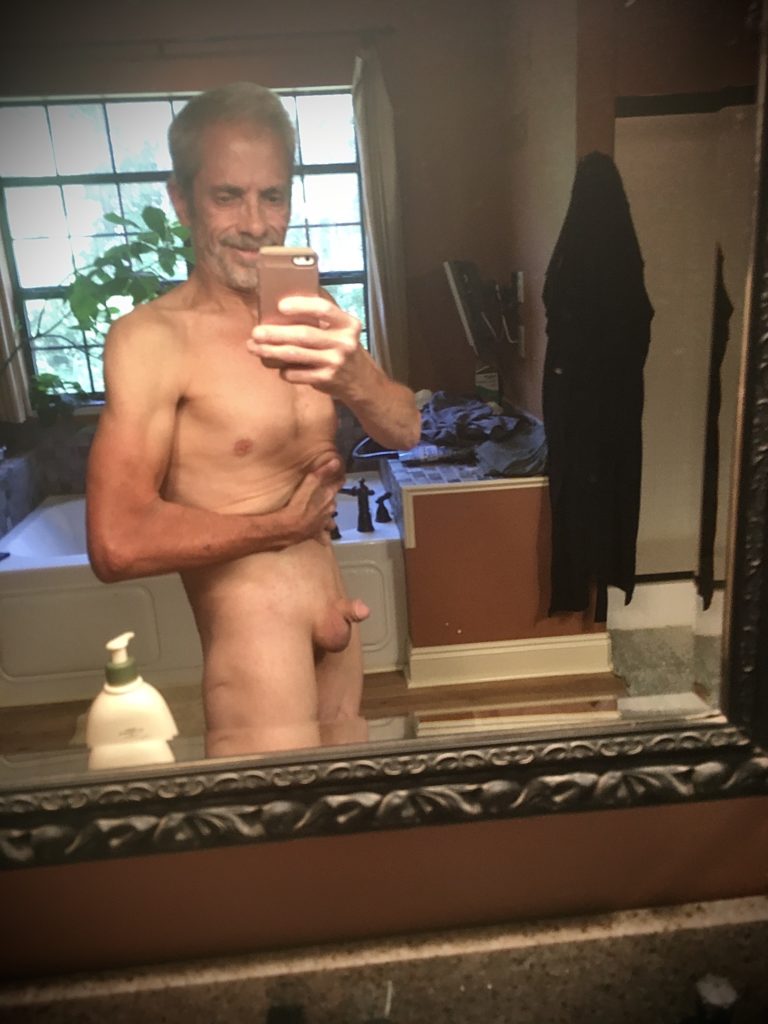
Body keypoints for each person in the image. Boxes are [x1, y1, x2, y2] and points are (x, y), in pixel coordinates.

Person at [86, 82, 420, 757]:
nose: (256, 223)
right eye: (226, 196)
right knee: (273, 829)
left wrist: (357, 378)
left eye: (272, 196)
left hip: (338, 637)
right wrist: (280, 528)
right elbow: (116, 542)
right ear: (182, 201)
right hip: (256, 659)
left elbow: (406, 429)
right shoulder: (152, 340)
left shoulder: (311, 315)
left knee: (351, 820)